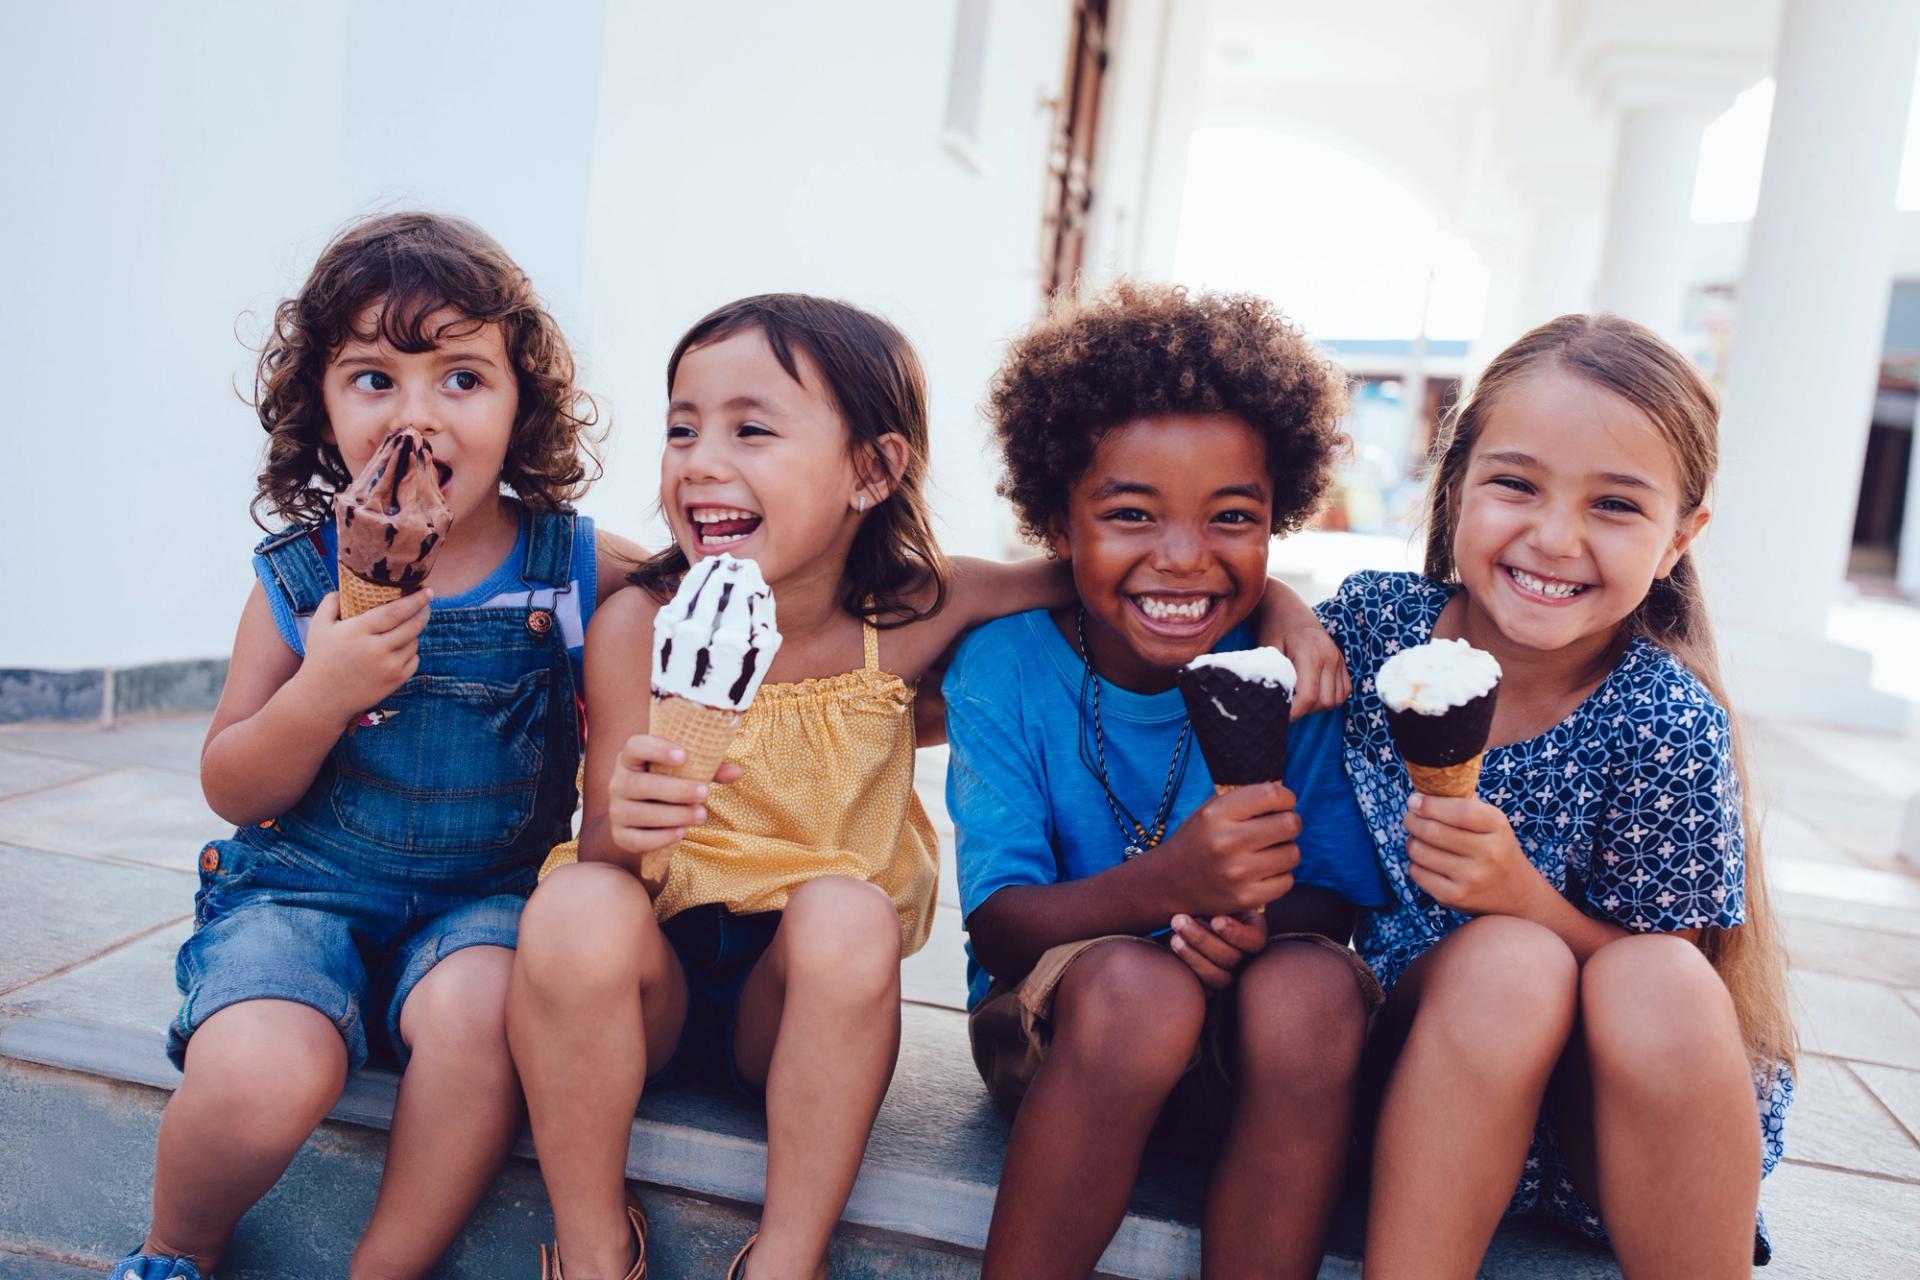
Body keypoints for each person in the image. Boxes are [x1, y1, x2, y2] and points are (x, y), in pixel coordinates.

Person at [507, 292, 1343, 1280]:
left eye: (751, 428)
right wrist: (623, 829)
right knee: (575, 900)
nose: (700, 457)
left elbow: (1111, 565)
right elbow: (605, 841)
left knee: (851, 915)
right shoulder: (639, 625)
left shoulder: (915, 612)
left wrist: (1284, 604)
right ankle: (592, 1241)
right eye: (682, 427)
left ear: (873, 469)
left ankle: (786, 1256)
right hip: (648, 986)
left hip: (801, 1000)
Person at [114, 212, 640, 1280]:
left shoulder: (569, 566)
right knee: (263, 1069)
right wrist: (322, 691)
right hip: (297, 894)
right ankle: (176, 1248)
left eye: (459, 378)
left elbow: (718, 589)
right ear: (321, 405)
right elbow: (231, 780)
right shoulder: (298, 574)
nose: (417, 413)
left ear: (519, 401)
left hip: (482, 907)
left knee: (488, 1008)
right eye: (372, 378)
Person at [1318, 314, 1795, 1276]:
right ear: (1454, 488)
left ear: (1678, 540)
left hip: (1595, 1129)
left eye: (1615, 506)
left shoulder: (1665, 718)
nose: (1554, 536)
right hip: (1403, 1076)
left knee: (1641, 973)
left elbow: (1677, 984)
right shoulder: (1375, 629)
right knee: (1506, 967)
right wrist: (1286, 615)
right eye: (1516, 483)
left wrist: (1524, 899)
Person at [948, 281, 1390, 1280]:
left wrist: (1250, 930)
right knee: (1139, 991)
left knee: (1320, 987)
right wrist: (1168, 888)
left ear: (1280, 517)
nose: (1185, 557)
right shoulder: (1006, 667)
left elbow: (1330, 894)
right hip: (1067, 1033)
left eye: (1232, 516)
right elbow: (1000, 927)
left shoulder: (1297, 674)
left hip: (1241, 1048)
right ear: (1059, 519)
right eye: (1132, 512)